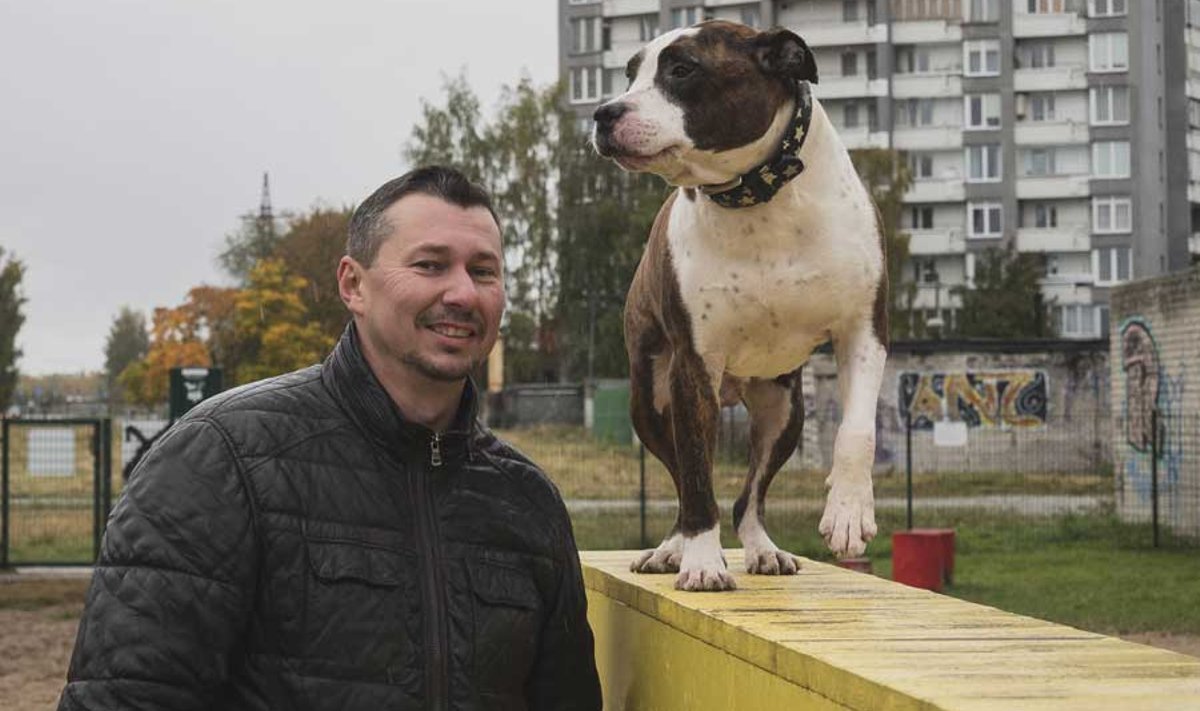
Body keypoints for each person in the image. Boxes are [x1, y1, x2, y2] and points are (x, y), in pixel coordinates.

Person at [58, 166, 603, 711]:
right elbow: (126, 697)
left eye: (483, 271)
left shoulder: (527, 503)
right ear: (353, 285)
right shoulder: (220, 459)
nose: (462, 292)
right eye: (430, 265)